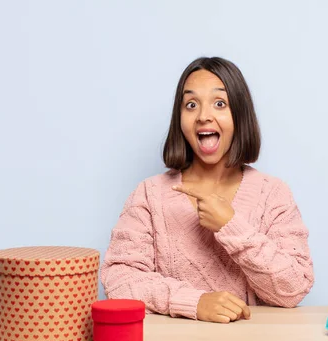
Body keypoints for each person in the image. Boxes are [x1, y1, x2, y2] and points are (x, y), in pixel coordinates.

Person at [100, 56, 314, 324]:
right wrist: (195, 302)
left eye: (220, 104)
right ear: (180, 119)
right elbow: (120, 280)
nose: (203, 116)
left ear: (240, 115)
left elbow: (293, 289)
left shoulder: (273, 193)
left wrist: (231, 226)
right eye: (191, 105)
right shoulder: (149, 194)